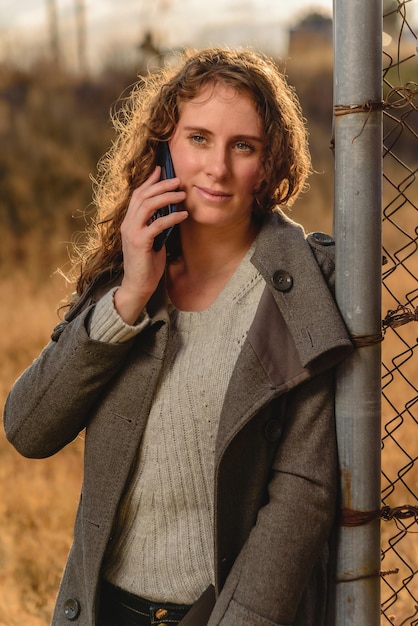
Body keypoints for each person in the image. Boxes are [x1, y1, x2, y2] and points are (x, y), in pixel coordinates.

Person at [3, 47, 353, 626]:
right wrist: (128, 299)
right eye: (198, 138)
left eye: (243, 146)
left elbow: (302, 496)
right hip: (101, 609)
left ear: (269, 164)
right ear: (165, 145)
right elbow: (28, 428)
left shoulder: (304, 291)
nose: (217, 167)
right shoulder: (126, 281)